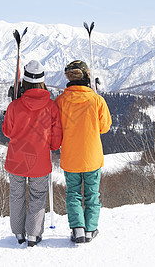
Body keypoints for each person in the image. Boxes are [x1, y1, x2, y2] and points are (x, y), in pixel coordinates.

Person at [2, 60, 62, 247]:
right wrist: (51, 146)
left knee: (16, 195)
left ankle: (19, 232)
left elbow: (7, 131)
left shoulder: (15, 106)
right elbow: (55, 140)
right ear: (43, 81)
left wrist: (13, 103)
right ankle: (33, 235)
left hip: (16, 160)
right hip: (40, 162)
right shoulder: (51, 107)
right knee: (37, 196)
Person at [55, 60, 112, 243]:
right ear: (86, 75)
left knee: (73, 193)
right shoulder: (96, 100)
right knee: (92, 194)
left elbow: (56, 129)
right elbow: (105, 127)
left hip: (71, 157)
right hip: (92, 157)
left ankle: (77, 228)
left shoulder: (60, 102)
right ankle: (91, 229)